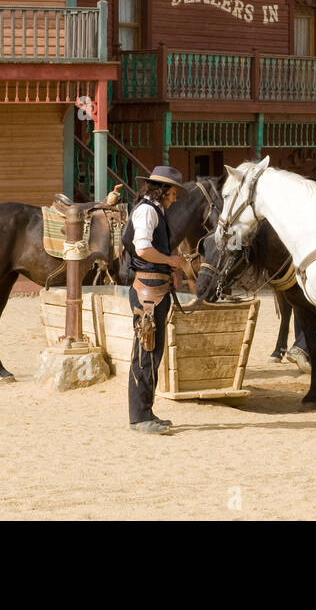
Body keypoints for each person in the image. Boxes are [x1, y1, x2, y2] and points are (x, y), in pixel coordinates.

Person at [126, 166, 187, 435]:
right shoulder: (148, 211)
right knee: (146, 351)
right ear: (163, 191)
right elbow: (143, 248)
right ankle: (140, 417)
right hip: (148, 291)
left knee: (151, 352)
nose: (174, 199)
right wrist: (171, 261)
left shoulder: (154, 210)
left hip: (154, 289)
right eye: (173, 193)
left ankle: (146, 412)